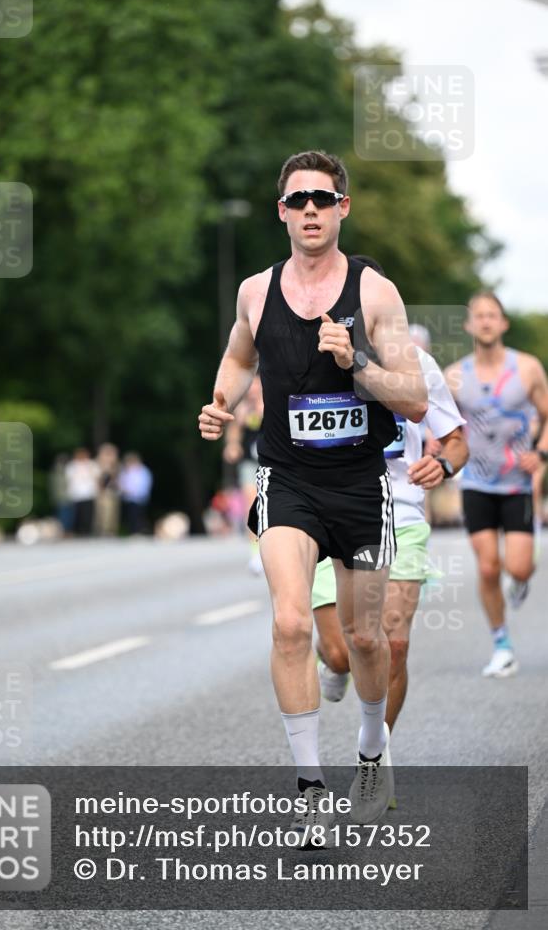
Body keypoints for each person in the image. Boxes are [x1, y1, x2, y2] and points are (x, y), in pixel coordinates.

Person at [198, 150, 427, 835]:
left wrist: (353, 361)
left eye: (321, 200)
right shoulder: (254, 291)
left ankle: (368, 749)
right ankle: (307, 789)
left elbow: (413, 399)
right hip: (286, 478)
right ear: (281, 212)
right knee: (292, 623)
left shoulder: (375, 292)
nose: (309, 211)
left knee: (363, 637)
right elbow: (240, 355)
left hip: (360, 484)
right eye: (297, 200)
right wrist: (220, 402)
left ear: (341, 208)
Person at [311, 313, 468, 773]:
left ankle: (373, 757)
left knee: (393, 643)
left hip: (401, 512)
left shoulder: (417, 364)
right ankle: (335, 666)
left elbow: (456, 441)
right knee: (343, 649)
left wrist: (445, 467)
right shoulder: (312, 361)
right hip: (331, 514)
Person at [445, 292, 548, 678]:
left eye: (493, 315)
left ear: (503, 323)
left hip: (518, 483)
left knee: (519, 568)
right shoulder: (453, 375)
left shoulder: (527, 368)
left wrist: (541, 454)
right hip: (475, 482)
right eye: (479, 316)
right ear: (469, 325)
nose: (486, 322)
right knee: (488, 568)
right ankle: (502, 643)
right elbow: (442, 425)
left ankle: (519, 582)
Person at [223, 375, 265, 574]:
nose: (252, 391)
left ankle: (273, 550)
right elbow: (234, 431)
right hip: (250, 463)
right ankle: (255, 553)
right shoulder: (243, 409)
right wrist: (232, 446)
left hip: (271, 463)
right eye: (250, 388)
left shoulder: (272, 402)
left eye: (256, 388)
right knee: (252, 505)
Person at [64, 448, 100, 537]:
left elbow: (97, 477)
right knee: (77, 514)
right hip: (76, 494)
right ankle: (77, 530)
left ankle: (87, 530)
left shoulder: (92, 464)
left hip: (89, 493)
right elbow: (69, 479)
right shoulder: (72, 466)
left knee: (88, 514)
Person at [119, 452, 153, 535]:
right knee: (131, 516)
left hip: (140, 497)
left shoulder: (144, 471)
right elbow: (121, 483)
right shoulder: (125, 471)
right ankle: (133, 531)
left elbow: (146, 483)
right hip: (129, 498)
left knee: (139, 515)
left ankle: (140, 530)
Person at [95, 443, 121, 537]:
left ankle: (111, 530)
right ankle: (102, 530)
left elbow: (116, 478)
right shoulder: (98, 464)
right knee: (102, 512)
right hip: (102, 492)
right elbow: (98, 479)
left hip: (112, 491)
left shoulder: (116, 465)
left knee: (113, 512)